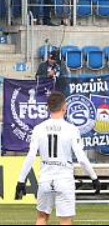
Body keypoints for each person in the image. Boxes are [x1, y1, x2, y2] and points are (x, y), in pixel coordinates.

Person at [16, 92, 101, 225]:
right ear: (64, 107)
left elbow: (31, 156)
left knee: (41, 217)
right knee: (65, 220)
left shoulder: (38, 129)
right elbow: (81, 157)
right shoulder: (71, 129)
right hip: (64, 179)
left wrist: (21, 180)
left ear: (48, 108)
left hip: (45, 179)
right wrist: (94, 177)